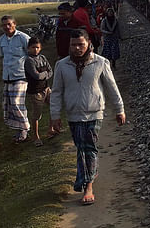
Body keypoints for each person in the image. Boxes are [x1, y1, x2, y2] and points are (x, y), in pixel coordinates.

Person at [50, 29, 126, 205]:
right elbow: (56, 92)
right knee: (80, 147)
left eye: (80, 44)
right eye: (73, 45)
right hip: (73, 114)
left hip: (94, 113)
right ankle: (90, 173)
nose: (77, 48)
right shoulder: (62, 65)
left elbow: (112, 88)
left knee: (88, 147)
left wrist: (119, 109)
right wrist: (55, 116)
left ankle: (87, 186)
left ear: (88, 43)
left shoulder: (100, 63)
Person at [0, 15, 31, 143]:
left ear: (14, 24)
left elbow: (32, 54)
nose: (7, 27)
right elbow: (3, 57)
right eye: (4, 25)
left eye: (9, 24)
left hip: (21, 76)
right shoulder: (1, 40)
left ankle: (25, 129)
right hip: (7, 76)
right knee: (9, 105)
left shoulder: (23, 38)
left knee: (17, 103)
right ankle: (18, 129)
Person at [25, 37, 53, 147]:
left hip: (46, 88)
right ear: (28, 48)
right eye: (33, 47)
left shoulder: (43, 58)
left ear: (40, 48)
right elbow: (36, 76)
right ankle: (35, 136)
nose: (35, 50)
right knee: (37, 114)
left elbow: (51, 71)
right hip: (35, 91)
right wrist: (45, 74)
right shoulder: (29, 61)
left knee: (54, 107)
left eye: (37, 47)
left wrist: (44, 74)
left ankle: (51, 128)